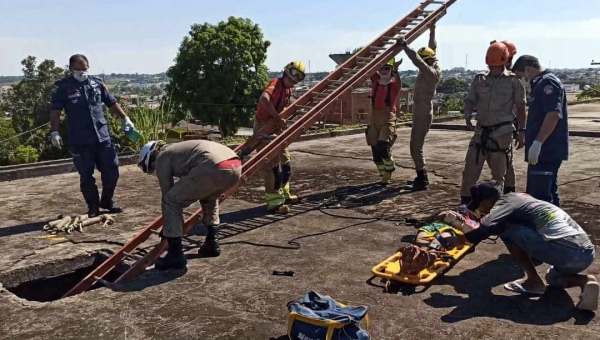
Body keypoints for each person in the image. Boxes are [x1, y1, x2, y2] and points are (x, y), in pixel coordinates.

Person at [446, 180, 598, 311]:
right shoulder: (521, 197)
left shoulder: (503, 204)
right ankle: (585, 282)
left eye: (479, 208)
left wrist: (459, 240)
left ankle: (533, 281)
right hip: (585, 252)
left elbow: (487, 228)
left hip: (565, 249)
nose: (480, 212)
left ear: (486, 203)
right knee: (553, 279)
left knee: (504, 228)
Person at [138, 139, 242, 270]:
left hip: (213, 166)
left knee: (171, 201)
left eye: (151, 166)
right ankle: (212, 243)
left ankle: (175, 255)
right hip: (235, 166)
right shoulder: (179, 149)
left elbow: (167, 194)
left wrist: (169, 229)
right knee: (209, 197)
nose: (154, 168)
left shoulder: (162, 157)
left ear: (152, 155)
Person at [50, 54, 133, 217]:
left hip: (102, 137)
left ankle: (107, 201)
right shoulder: (62, 87)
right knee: (86, 176)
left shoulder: (97, 83)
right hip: (80, 139)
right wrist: (55, 131)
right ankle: (93, 207)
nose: (82, 72)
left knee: (112, 170)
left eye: (84, 69)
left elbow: (111, 102)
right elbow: (55, 111)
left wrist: (125, 118)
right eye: (78, 69)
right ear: (70, 69)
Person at [459, 42, 527, 205]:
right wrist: (467, 115)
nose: (494, 70)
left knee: (499, 175)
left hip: (502, 133)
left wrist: (522, 131)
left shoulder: (513, 82)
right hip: (481, 132)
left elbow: (520, 107)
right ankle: (465, 205)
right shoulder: (479, 79)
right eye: (491, 66)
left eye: (497, 66)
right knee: (469, 172)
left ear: (505, 62)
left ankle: (499, 208)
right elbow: (470, 100)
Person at [511, 55, 569, 207]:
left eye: (520, 76)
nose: (521, 81)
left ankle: (545, 229)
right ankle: (560, 228)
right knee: (549, 194)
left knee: (540, 198)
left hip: (547, 150)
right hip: (545, 150)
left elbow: (553, 114)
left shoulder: (547, 83)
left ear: (528, 69)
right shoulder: (540, 84)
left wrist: (538, 143)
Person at [253, 61, 305, 214]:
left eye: (295, 81)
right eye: (291, 79)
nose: (292, 82)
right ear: (285, 74)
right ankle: (274, 203)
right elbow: (264, 99)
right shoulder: (275, 83)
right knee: (272, 167)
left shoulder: (288, 91)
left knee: (286, 164)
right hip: (263, 127)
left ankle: (285, 195)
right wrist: (276, 118)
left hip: (275, 127)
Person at [398, 24, 441, 191]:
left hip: (422, 113)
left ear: (428, 60)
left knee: (415, 147)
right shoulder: (432, 64)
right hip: (421, 111)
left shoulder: (430, 73)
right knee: (416, 146)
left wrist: (405, 46)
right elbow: (432, 48)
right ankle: (420, 176)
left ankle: (422, 179)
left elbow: (417, 59)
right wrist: (432, 30)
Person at [367, 56, 402, 184]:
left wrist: (396, 70)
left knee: (383, 146)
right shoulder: (375, 81)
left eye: (387, 68)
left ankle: (389, 167)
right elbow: (369, 70)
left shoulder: (393, 85)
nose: (383, 71)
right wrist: (376, 61)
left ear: (391, 70)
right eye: (381, 68)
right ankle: (383, 174)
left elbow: (399, 82)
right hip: (374, 117)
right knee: (375, 151)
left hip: (387, 117)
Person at [491, 40, 518, 194]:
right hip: (504, 122)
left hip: (506, 123)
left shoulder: (511, 76)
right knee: (506, 161)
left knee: (503, 161)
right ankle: (509, 192)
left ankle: (506, 193)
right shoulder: (509, 74)